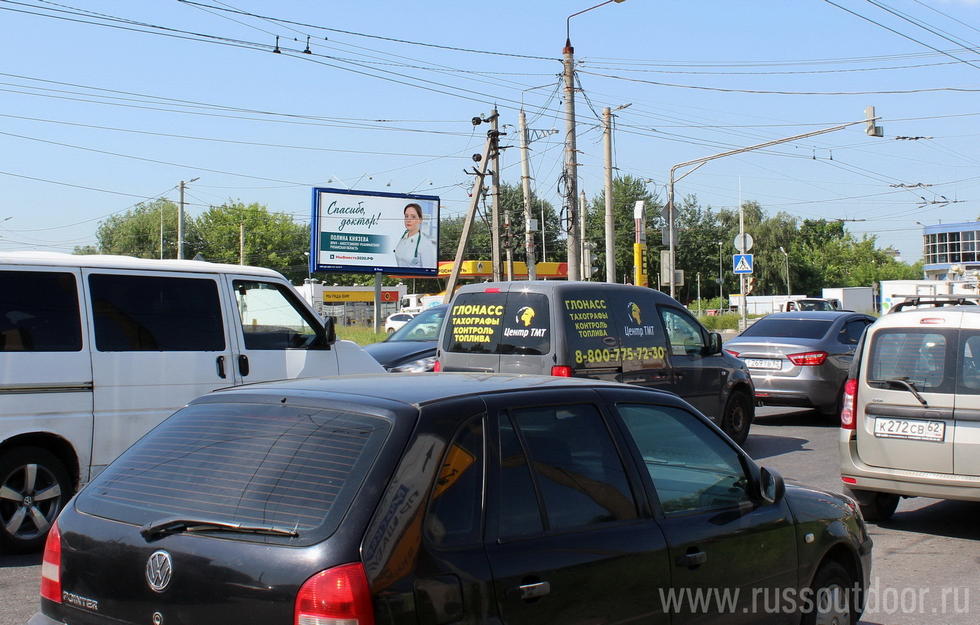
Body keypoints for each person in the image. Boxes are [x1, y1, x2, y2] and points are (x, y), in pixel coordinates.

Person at [393, 203, 436, 268]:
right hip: (400, 277)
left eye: (413, 217)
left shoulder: (426, 244)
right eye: (406, 216)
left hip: (416, 278)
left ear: (420, 220)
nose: (408, 220)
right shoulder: (402, 239)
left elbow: (429, 269)